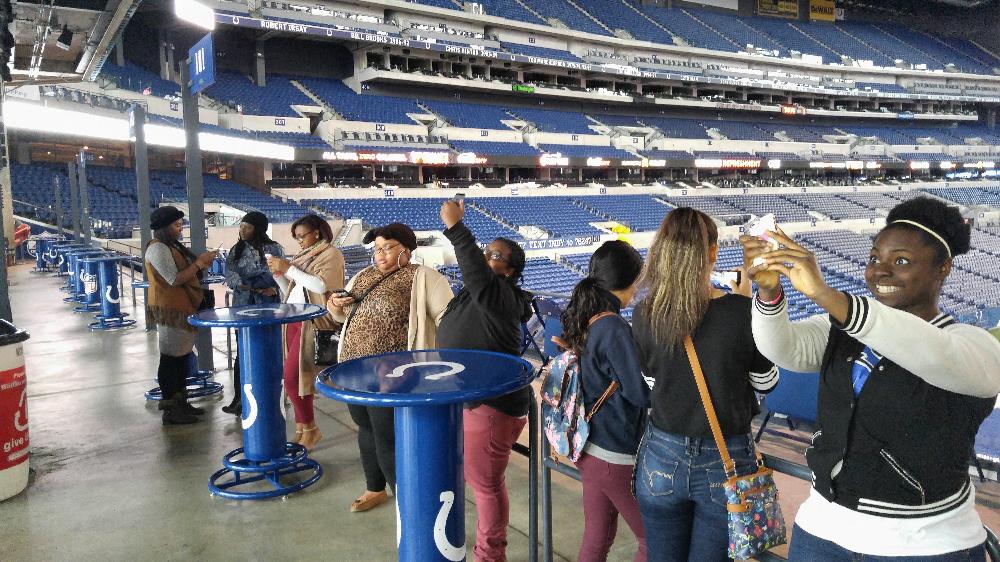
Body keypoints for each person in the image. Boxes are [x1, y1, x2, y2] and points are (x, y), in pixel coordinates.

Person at [743, 196, 1000, 561]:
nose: (880, 271)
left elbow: (928, 350)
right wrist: (769, 292)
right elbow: (785, 349)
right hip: (821, 530)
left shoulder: (973, 346)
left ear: (943, 268)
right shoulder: (844, 329)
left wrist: (825, 294)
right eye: (874, 258)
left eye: (901, 261)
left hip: (925, 546)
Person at [631, 207, 777, 562]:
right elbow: (766, 382)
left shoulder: (645, 311)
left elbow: (652, 381)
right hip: (725, 458)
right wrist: (748, 304)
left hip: (661, 454)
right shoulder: (742, 312)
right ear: (712, 253)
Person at [327, 223, 452, 513]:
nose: (380, 254)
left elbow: (447, 318)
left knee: (387, 434)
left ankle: (406, 501)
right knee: (365, 426)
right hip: (354, 367)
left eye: (387, 248)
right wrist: (335, 303)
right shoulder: (363, 276)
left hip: (394, 372)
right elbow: (341, 316)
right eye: (377, 249)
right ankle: (374, 488)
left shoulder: (424, 277)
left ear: (406, 250)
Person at [435, 200, 533, 562]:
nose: (487, 256)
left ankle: (490, 556)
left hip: (492, 405)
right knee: (476, 479)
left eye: (495, 255)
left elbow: (477, 274)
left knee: (486, 485)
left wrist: (457, 228)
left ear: (509, 271)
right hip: (471, 398)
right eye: (487, 251)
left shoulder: (500, 294)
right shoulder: (482, 292)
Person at [560, 241, 648, 562]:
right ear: (630, 280)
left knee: (597, 539)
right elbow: (639, 393)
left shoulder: (588, 317)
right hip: (615, 455)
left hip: (591, 448)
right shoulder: (613, 327)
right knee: (653, 541)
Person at [268, 214, 344, 450]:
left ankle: (311, 428)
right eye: (297, 238)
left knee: (293, 377)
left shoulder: (331, 254)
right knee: (297, 378)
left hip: (313, 322)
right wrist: (279, 276)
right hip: (294, 318)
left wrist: (288, 269)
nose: (300, 241)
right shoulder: (304, 257)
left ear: (317, 232)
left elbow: (321, 285)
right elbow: (293, 290)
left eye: (302, 236)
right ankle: (303, 427)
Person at [144, 206, 218, 425]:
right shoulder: (157, 248)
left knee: (182, 358)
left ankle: (181, 402)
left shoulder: (171, 246)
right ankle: (171, 408)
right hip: (170, 310)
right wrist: (199, 263)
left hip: (182, 308)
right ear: (165, 227)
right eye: (177, 225)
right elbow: (173, 279)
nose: (181, 228)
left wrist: (201, 264)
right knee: (171, 359)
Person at [221, 211, 284, 415]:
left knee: (268, 349)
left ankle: (271, 396)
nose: (242, 230)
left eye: (247, 227)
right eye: (241, 226)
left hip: (267, 306)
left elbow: (275, 275)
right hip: (242, 307)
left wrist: (253, 283)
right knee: (243, 352)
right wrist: (252, 285)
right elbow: (230, 275)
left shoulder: (273, 248)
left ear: (258, 229)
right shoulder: (236, 250)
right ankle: (240, 399)